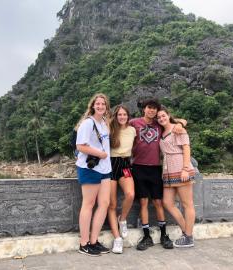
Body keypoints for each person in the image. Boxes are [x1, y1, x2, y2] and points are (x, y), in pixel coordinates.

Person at [130, 98, 186, 251]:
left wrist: (180, 124)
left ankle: (163, 235)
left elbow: (179, 121)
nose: (152, 110)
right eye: (149, 107)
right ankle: (146, 236)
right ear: (144, 109)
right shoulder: (134, 122)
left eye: (155, 108)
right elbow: (118, 126)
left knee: (158, 203)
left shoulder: (159, 124)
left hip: (155, 168)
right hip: (138, 168)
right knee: (143, 202)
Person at [75, 93, 112, 256]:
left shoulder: (104, 122)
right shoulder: (87, 123)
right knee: (88, 204)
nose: (100, 106)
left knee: (104, 204)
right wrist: (99, 153)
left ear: (106, 106)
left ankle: (94, 241)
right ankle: (84, 243)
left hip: (105, 168)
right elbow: (80, 146)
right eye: (97, 104)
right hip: (90, 168)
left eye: (103, 104)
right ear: (92, 106)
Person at [157, 106, 196, 248]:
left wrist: (185, 168)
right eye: (159, 117)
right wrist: (180, 121)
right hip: (168, 171)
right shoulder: (162, 131)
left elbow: (186, 148)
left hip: (180, 168)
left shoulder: (177, 129)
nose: (161, 118)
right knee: (167, 202)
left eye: (163, 116)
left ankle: (188, 236)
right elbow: (180, 120)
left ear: (168, 115)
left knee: (187, 204)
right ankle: (187, 231)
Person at [108, 105, 136, 254]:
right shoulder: (110, 129)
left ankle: (122, 219)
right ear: (115, 116)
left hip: (125, 165)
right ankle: (117, 239)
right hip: (111, 165)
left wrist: (180, 122)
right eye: (119, 114)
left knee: (130, 194)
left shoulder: (132, 129)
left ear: (128, 116)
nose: (122, 117)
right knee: (111, 204)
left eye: (124, 114)